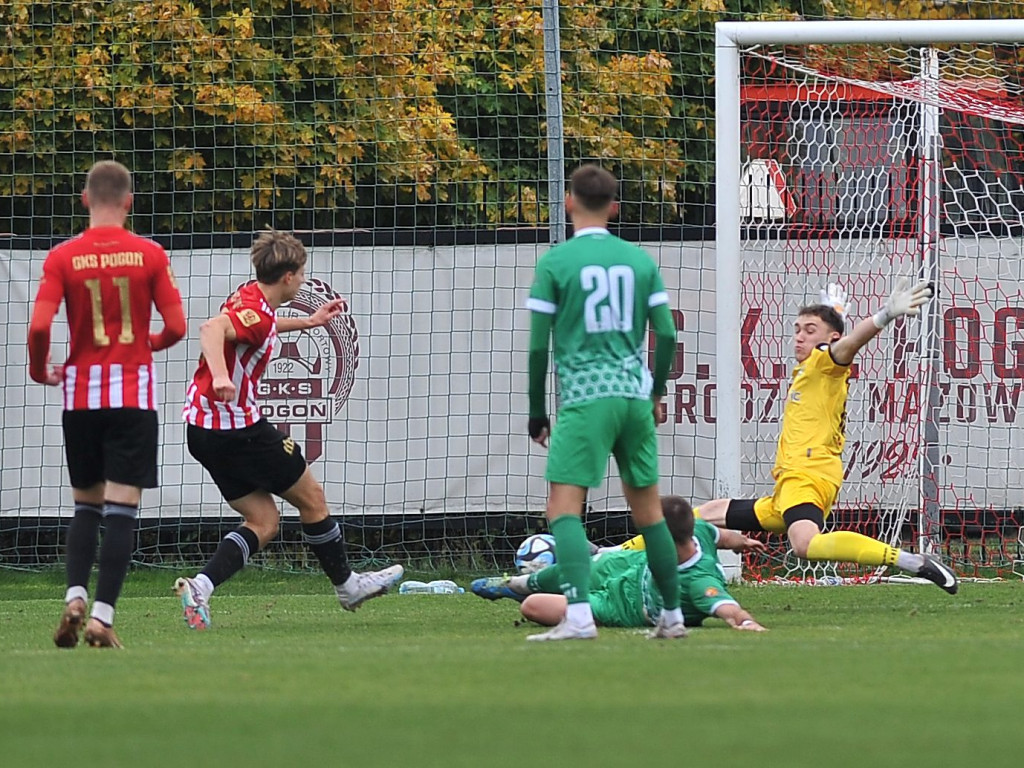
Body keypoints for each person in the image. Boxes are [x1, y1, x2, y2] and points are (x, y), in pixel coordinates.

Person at [174, 229, 402, 629]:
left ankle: (201, 586)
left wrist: (310, 321)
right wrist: (222, 375)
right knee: (312, 499)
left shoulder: (251, 299)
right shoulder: (256, 314)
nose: (303, 279)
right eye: (302, 273)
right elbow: (212, 329)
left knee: (263, 521)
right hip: (237, 430)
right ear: (288, 277)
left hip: (202, 429)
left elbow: (260, 326)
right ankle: (348, 586)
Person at [697, 282, 959, 593]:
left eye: (810, 329)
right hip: (790, 486)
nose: (799, 335)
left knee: (805, 545)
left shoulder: (824, 360)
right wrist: (830, 315)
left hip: (807, 475)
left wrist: (885, 315)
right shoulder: (811, 369)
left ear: (830, 337)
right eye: (797, 328)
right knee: (698, 516)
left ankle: (914, 563)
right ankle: (622, 554)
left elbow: (849, 345)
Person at [28, 160, 187, 649]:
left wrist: (41, 369)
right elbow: (178, 327)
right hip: (132, 395)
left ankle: (75, 594)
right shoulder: (150, 254)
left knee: (85, 505)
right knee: (121, 510)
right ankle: (101, 617)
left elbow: (38, 327)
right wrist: (149, 343)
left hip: (80, 395)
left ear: (84, 199)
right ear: (129, 202)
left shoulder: (62, 257)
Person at [525, 164, 681, 641]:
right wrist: (655, 391)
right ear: (615, 207)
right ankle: (671, 616)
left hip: (587, 397)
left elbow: (537, 347)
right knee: (649, 511)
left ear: (569, 202)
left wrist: (537, 409)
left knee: (564, 509)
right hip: (634, 398)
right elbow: (668, 332)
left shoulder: (556, 262)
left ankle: (578, 618)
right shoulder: (639, 260)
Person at [472, 496, 768, 632]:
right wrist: (742, 541)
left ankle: (524, 593)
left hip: (618, 607)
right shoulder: (700, 531)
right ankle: (514, 584)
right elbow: (722, 536)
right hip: (626, 565)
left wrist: (746, 622)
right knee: (572, 570)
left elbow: (726, 607)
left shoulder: (698, 580)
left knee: (532, 606)